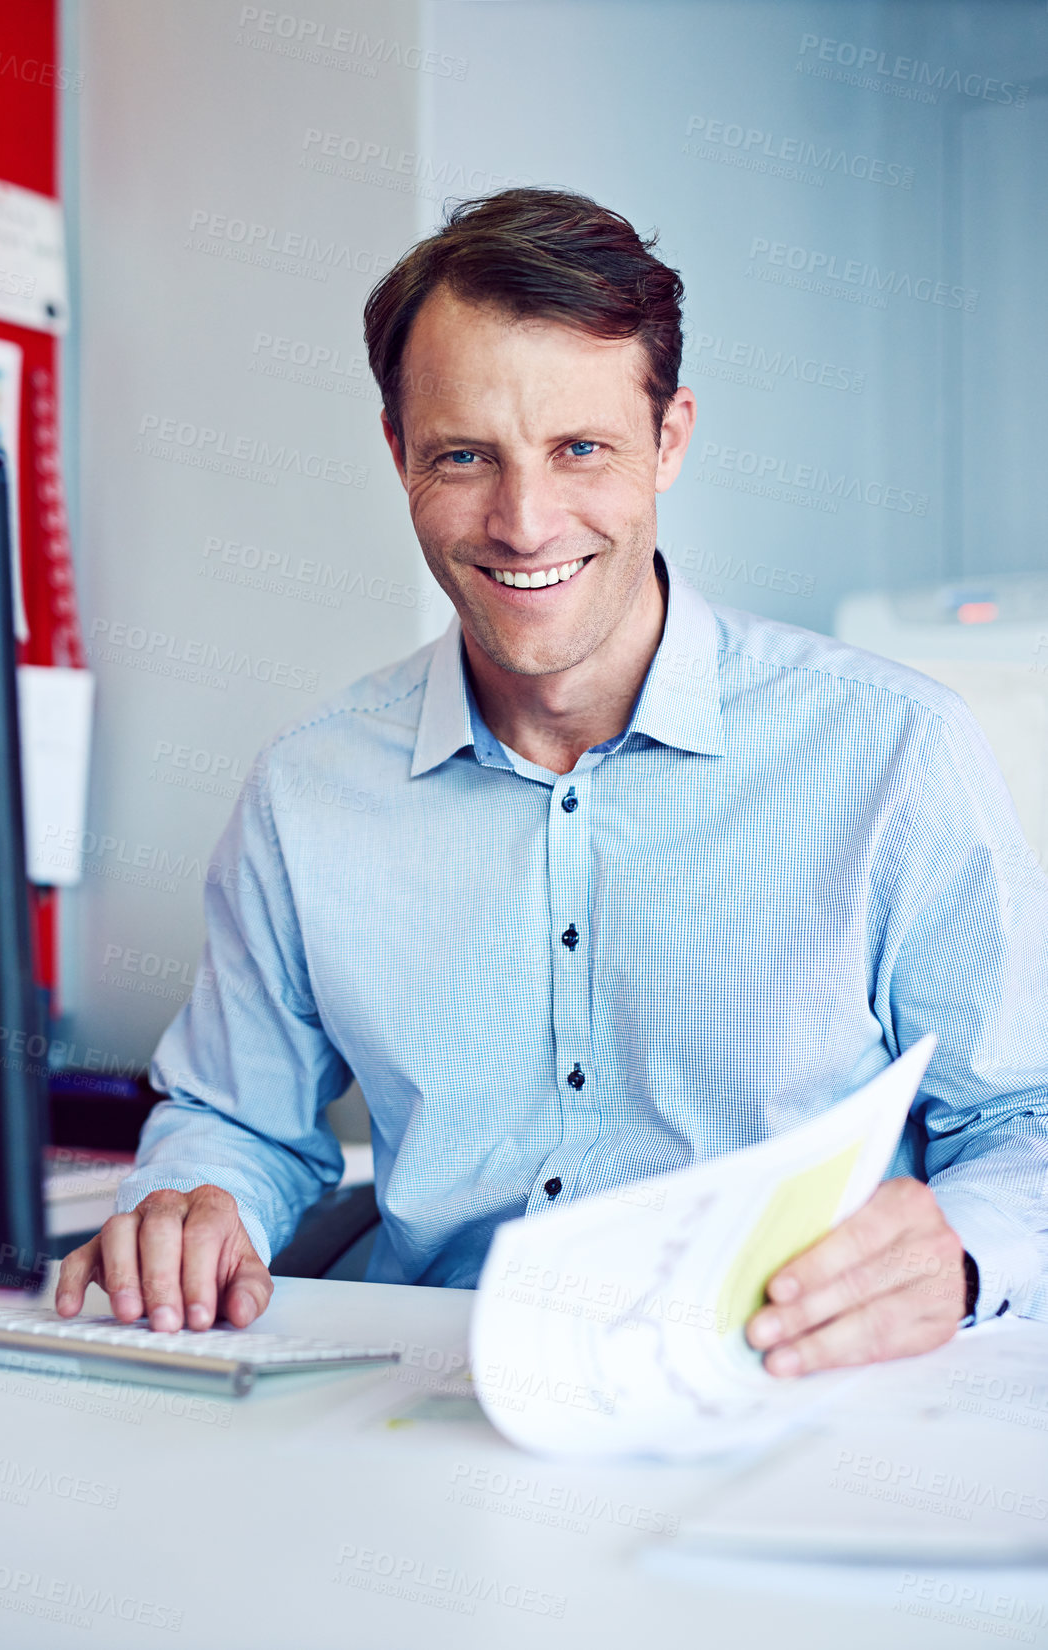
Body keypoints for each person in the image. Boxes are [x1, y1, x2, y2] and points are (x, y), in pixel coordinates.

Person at [58, 188, 1048, 1377]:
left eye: (580, 448)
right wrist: (195, 1201)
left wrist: (959, 1252)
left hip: (780, 1396)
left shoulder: (892, 756)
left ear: (669, 439)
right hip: (426, 1406)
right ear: (396, 453)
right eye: (464, 456)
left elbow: (1020, 1122)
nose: (523, 522)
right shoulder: (306, 794)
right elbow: (231, 1119)